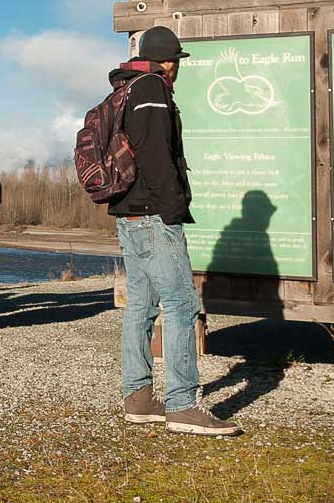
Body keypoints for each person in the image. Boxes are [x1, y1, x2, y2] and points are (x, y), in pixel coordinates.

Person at [110, 26, 240, 436]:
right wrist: (173, 209)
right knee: (182, 304)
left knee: (141, 306)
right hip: (153, 215)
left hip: (130, 215)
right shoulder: (152, 88)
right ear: (169, 61)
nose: (177, 68)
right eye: (177, 62)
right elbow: (154, 153)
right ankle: (183, 405)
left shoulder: (129, 87)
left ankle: (139, 398)